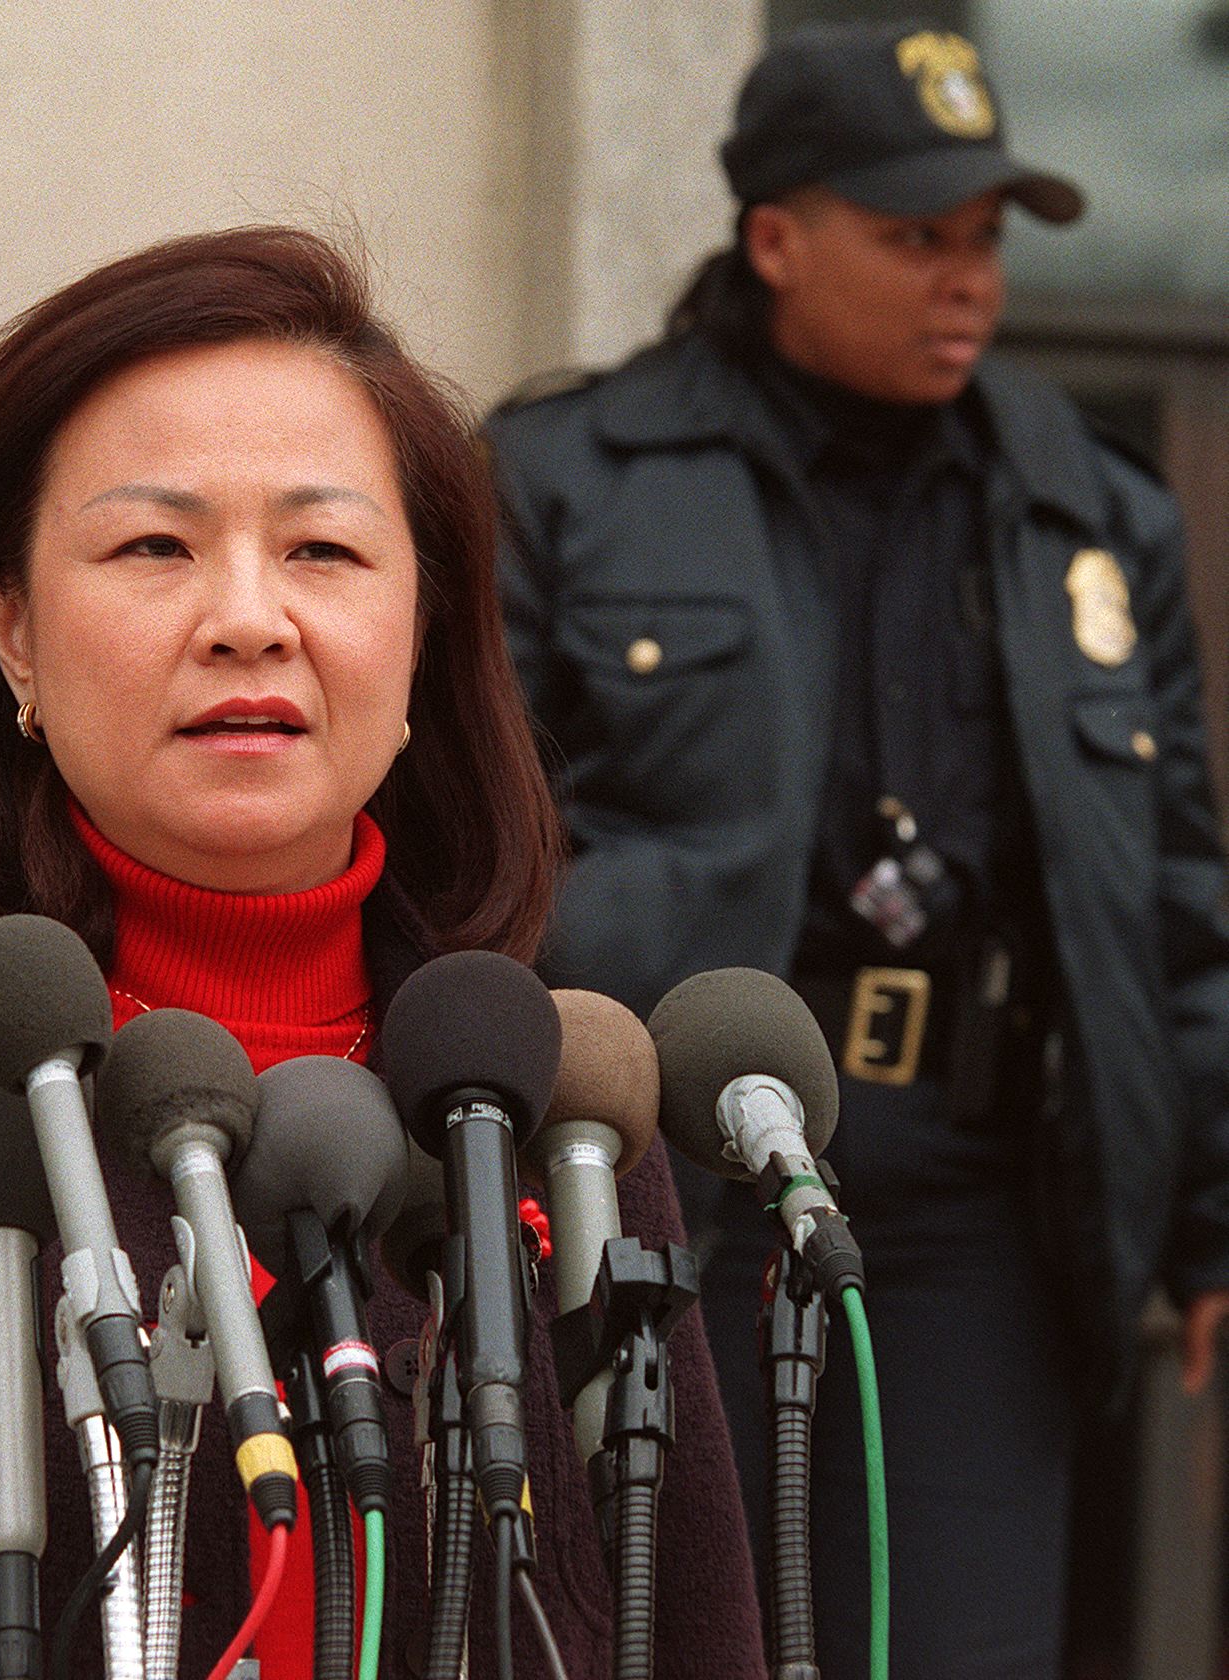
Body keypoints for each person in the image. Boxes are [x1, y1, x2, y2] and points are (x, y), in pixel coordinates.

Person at [0, 226, 765, 1680]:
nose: (250, 621)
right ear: (11, 626)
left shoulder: (550, 1105)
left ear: (426, 627)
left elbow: (687, 1624)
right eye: (155, 547)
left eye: (324, 550)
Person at [485, 22, 1229, 1680]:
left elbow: (1170, 896)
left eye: (984, 241)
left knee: (952, 1644)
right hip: (663, 1174)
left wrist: (1208, 1220)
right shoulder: (563, 481)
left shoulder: (1087, 510)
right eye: (913, 239)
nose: (966, 283)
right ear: (775, 240)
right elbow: (473, 866)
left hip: (969, 1199)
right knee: (666, 1640)